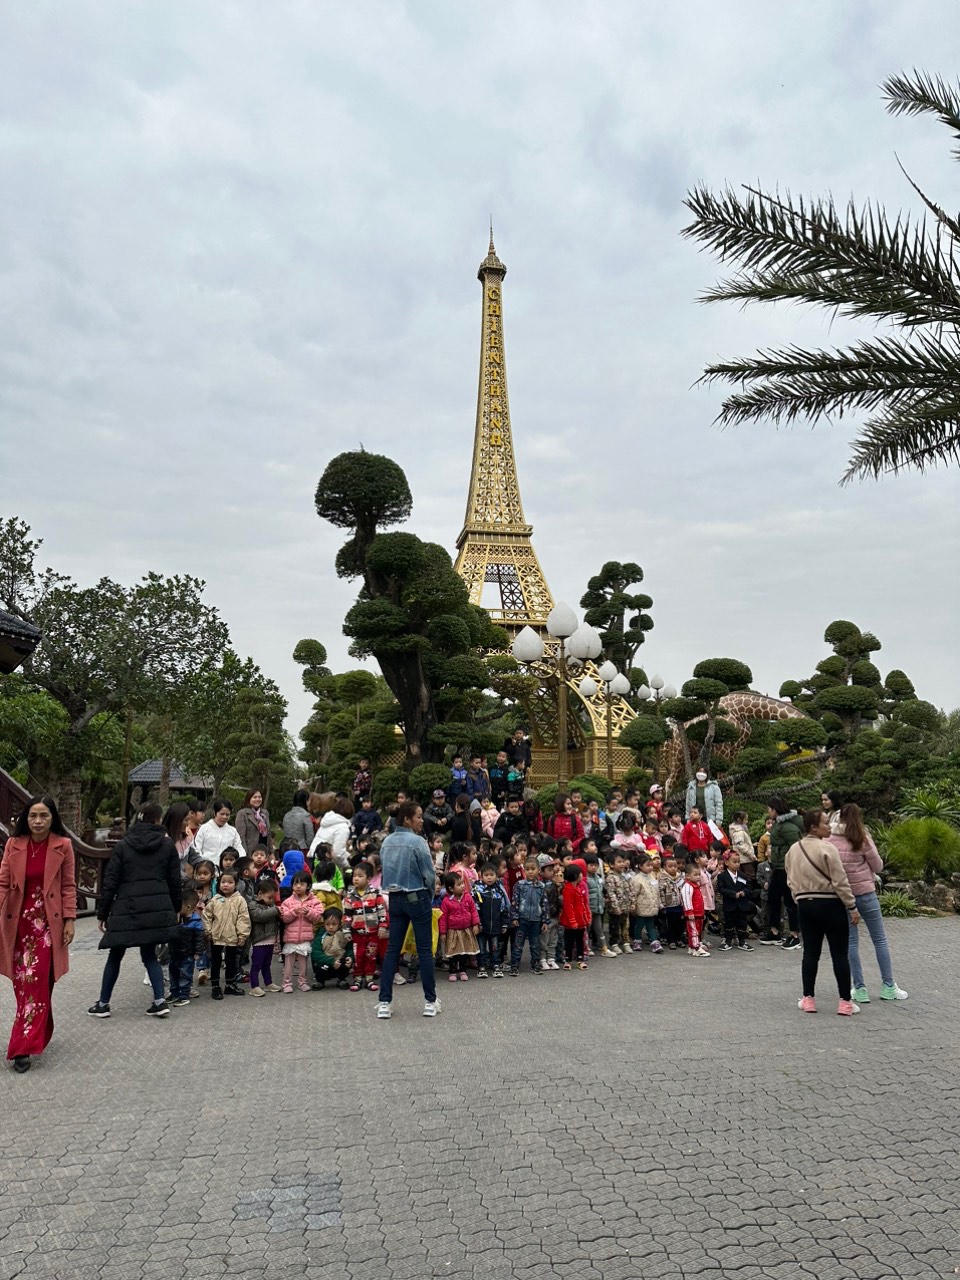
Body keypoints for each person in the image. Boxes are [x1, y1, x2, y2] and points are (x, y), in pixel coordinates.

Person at [0, 795, 77, 1072]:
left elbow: (68, 886)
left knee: (38, 983)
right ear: (26, 818)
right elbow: (3, 882)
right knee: (24, 986)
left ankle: (22, 1046)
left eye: (44, 815)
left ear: (52, 818)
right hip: (17, 924)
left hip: (47, 927)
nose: (38, 821)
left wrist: (70, 920)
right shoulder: (14, 844)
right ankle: (38, 1031)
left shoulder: (63, 846)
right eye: (33, 815)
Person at [88, 803, 181, 1019]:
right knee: (149, 954)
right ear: (158, 820)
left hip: (126, 907)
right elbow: (174, 881)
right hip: (156, 907)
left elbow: (110, 880)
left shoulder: (123, 845)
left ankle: (103, 1003)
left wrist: (103, 912)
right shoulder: (167, 845)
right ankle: (159, 1001)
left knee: (115, 954)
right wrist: (175, 908)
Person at [829, 803, 908, 1003]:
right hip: (867, 894)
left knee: (851, 942)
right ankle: (888, 986)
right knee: (879, 939)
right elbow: (878, 865)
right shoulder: (862, 837)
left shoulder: (831, 839)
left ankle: (860, 988)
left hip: (844, 896)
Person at [786, 809, 861, 1015]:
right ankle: (845, 1002)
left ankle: (808, 998)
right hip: (831, 904)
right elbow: (840, 881)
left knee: (810, 953)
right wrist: (851, 906)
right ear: (813, 827)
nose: (830, 827)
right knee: (839, 954)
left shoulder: (793, 850)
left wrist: (799, 898)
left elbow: (791, 880)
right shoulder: (828, 848)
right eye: (826, 823)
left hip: (806, 905)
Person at [375, 801, 440, 1019]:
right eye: (419, 816)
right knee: (424, 949)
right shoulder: (418, 842)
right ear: (407, 819)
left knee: (393, 949)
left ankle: (384, 1002)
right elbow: (429, 874)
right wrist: (429, 894)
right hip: (417, 895)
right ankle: (430, 1001)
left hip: (394, 898)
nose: (422, 820)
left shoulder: (387, 842)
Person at [760, 798, 803, 949]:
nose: (768, 812)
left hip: (787, 868)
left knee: (790, 901)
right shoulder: (779, 823)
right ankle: (774, 931)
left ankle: (794, 935)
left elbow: (797, 846)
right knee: (773, 898)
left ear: (775, 809)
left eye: (769, 809)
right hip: (778, 867)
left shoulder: (787, 826)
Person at [201, 869, 250, 999]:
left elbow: (243, 918)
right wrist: (208, 931)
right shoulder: (215, 900)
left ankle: (230, 984)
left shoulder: (240, 900)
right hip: (216, 937)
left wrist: (242, 935)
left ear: (236, 884)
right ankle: (215, 986)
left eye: (230, 882)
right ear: (219, 883)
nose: (226, 885)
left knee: (231, 961)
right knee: (216, 962)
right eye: (223, 882)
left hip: (233, 937)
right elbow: (206, 916)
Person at [342, 860, 387, 992]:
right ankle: (357, 978)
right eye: (355, 876)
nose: (356, 878)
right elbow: (347, 916)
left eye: (360, 876)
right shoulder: (350, 897)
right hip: (357, 934)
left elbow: (382, 911)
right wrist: (346, 930)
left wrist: (383, 926)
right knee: (358, 956)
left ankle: (369, 978)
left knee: (371, 955)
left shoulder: (375, 894)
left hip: (373, 933)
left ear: (368, 879)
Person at [279, 872, 324, 993]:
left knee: (303, 963)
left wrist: (308, 912)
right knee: (288, 963)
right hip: (290, 938)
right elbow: (284, 918)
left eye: (302, 883)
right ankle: (286, 983)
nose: (298, 886)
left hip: (305, 937)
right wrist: (294, 911)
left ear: (308, 886)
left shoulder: (314, 901)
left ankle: (302, 982)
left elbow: (318, 917)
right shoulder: (288, 901)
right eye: (295, 883)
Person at [439, 872, 480, 981]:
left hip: (466, 930)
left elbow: (474, 910)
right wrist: (443, 932)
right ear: (451, 889)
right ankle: (452, 971)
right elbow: (443, 918)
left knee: (464, 951)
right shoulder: (446, 901)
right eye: (459, 884)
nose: (463, 886)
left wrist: (475, 924)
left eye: (462, 883)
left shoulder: (468, 897)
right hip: (453, 931)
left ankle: (463, 970)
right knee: (453, 952)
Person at [473, 860, 510, 978]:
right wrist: (477, 923)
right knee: (482, 948)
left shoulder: (499, 890)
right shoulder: (477, 890)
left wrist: (504, 924)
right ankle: (481, 967)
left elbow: (504, 908)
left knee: (495, 948)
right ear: (481, 876)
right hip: (482, 926)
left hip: (496, 925)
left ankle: (496, 966)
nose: (489, 878)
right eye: (486, 875)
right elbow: (475, 908)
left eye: (491, 875)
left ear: (496, 875)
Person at [168, 888, 205, 1006]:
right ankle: (174, 993)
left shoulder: (196, 922)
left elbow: (199, 939)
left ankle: (184, 995)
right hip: (175, 952)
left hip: (187, 954)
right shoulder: (177, 919)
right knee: (173, 972)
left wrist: (198, 953)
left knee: (185, 975)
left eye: (180, 906)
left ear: (188, 907)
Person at [510, 858, 546, 975]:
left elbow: (544, 904)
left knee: (535, 944)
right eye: (527, 869)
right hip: (522, 919)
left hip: (536, 920)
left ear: (538, 870)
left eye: (533, 869)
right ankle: (514, 966)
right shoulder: (519, 885)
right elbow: (515, 902)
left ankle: (535, 964)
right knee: (518, 944)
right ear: (524, 871)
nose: (530, 872)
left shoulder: (541, 886)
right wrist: (515, 917)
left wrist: (545, 921)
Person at [247, 882, 282, 996]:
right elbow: (259, 916)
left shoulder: (271, 906)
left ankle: (269, 983)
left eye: (273, 898)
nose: (272, 900)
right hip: (259, 941)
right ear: (260, 894)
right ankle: (254, 986)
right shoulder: (253, 905)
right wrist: (276, 910)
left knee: (267, 964)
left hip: (270, 940)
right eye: (270, 897)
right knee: (256, 964)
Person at [716, 851, 754, 951]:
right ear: (727, 862)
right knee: (729, 923)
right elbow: (721, 889)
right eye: (734, 861)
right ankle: (728, 941)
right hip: (729, 904)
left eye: (738, 862)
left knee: (742, 923)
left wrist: (744, 892)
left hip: (742, 904)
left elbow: (749, 887)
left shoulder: (743, 875)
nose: (737, 864)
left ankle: (742, 941)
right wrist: (733, 894)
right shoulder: (722, 876)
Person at [308, 796, 353, 871]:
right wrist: (347, 866)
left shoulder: (327, 820)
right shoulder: (343, 828)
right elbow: (337, 853)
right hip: (325, 862)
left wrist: (347, 855)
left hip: (313, 856)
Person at [311, 907, 352, 989]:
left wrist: (350, 957)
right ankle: (320, 981)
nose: (330, 927)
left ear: (340, 924)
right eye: (327, 924)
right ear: (324, 923)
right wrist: (331, 961)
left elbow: (349, 949)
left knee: (346, 963)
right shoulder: (321, 935)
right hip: (326, 962)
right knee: (319, 966)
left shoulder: (344, 935)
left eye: (334, 924)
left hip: (339, 961)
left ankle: (341, 979)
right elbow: (315, 953)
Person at [559, 863, 590, 970]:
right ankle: (567, 960)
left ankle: (580, 959)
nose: (582, 875)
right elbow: (568, 907)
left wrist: (587, 917)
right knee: (569, 941)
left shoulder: (579, 887)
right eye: (580, 873)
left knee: (580, 940)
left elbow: (584, 904)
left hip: (580, 920)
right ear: (576, 875)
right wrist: (572, 921)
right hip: (570, 922)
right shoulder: (568, 889)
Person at [681, 863, 710, 957]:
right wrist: (689, 912)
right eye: (695, 875)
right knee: (693, 931)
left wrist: (703, 912)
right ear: (688, 876)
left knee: (698, 930)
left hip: (698, 913)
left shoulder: (696, 885)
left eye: (699, 875)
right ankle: (696, 947)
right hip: (692, 914)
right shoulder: (687, 886)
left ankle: (692, 947)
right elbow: (686, 900)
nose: (698, 877)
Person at [235, 789, 272, 861]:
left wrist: (271, 852)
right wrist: (245, 855)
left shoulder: (264, 813)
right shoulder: (242, 813)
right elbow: (241, 837)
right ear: (249, 799)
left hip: (264, 850)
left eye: (259, 797)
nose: (257, 799)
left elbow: (269, 834)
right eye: (255, 797)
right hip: (250, 852)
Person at [727, 812, 757, 880]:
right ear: (739, 820)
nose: (747, 821)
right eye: (745, 819)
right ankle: (747, 890)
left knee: (745, 876)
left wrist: (751, 845)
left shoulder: (740, 830)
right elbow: (740, 845)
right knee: (749, 876)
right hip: (744, 858)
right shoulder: (738, 831)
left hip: (744, 857)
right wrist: (751, 854)